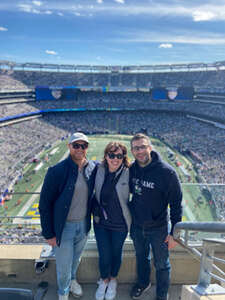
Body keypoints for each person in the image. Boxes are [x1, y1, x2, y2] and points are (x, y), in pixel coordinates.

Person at [39, 132, 98, 300]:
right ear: (69, 147)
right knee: (63, 266)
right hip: (63, 227)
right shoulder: (56, 171)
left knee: (75, 260)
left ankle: (72, 280)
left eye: (83, 146)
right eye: (76, 145)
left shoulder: (92, 168)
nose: (80, 149)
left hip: (84, 224)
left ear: (87, 148)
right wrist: (48, 233)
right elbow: (44, 204)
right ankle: (63, 292)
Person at [129, 133, 183, 300]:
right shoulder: (132, 169)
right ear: (132, 151)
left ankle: (161, 295)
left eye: (143, 147)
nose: (140, 151)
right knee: (141, 258)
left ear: (150, 148)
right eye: (136, 148)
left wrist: (174, 233)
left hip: (159, 228)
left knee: (162, 264)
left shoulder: (167, 172)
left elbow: (176, 204)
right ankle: (143, 283)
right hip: (137, 226)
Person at [93, 141, 131, 300]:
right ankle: (104, 279)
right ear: (106, 156)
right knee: (104, 254)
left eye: (119, 156)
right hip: (100, 222)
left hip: (120, 223)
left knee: (116, 253)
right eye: (111, 155)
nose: (115, 159)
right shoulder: (98, 169)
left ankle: (113, 279)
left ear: (124, 157)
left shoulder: (130, 172)